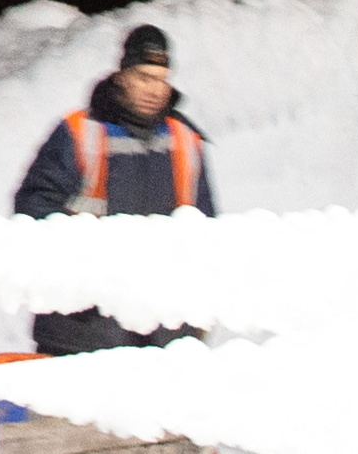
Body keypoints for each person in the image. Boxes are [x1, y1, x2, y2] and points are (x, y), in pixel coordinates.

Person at [12, 24, 210, 357]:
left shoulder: (185, 142)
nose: (155, 90)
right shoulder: (79, 133)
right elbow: (33, 210)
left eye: (161, 79)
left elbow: (206, 233)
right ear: (122, 76)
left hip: (163, 340)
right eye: (144, 77)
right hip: (84, 334)